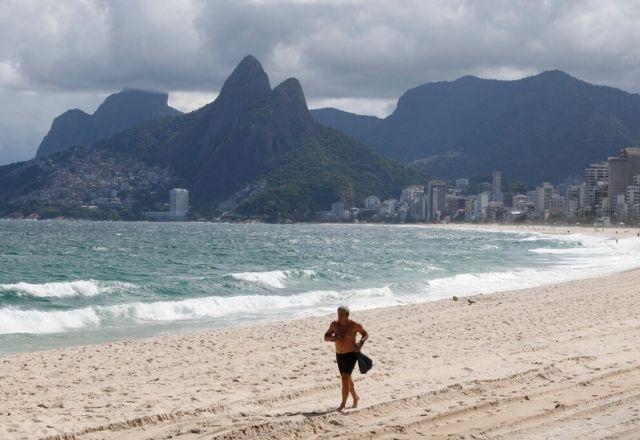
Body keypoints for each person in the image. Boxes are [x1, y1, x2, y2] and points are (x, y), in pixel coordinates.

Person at [324, 305, 368, 410]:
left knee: (344, 378)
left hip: (351, 354)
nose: (339, 316)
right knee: (347, 379)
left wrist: (360, 343)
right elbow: (326, 337)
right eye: (338, 314)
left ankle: (343, 404)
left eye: (341, 314)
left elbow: (365, 334)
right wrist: (332, 338)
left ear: (347, 315)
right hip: (339, 355)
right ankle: (355, 398)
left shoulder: (354, 325)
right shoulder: (334, 324)